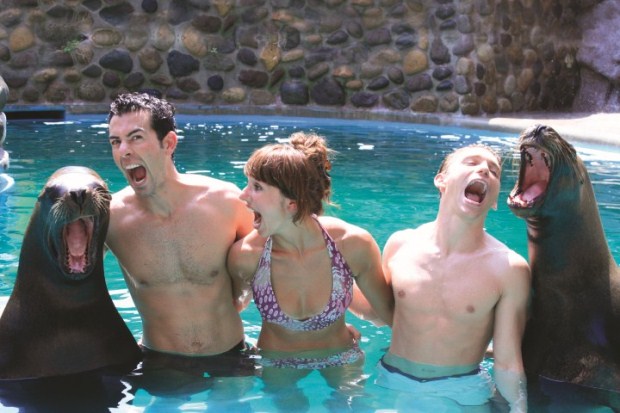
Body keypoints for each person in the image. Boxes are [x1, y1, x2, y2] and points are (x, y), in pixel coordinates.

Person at [227, 131, 394, 409]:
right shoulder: (247, 257)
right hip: (277, 361)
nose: (243, 195)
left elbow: (386, 314)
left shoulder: (351, 244)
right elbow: (230, 311)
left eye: (256, 187)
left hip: (339, 355)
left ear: (291, 203)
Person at [105, 92, 257, 392]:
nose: (124, 151)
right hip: (160, 363)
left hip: (232, 357)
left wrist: (322, 326)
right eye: (115, 141)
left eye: (135, 138)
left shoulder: (226, 202)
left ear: (169, 143)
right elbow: (67, 284)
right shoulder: (111, 220)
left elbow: (280, 257)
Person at [377, 144, 530, 413]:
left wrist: (519, 408)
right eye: (471, 163)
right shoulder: (400, 245)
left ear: (494, 200)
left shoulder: (509, 269)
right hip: (389, 381)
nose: (484, 169)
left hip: (462, 391)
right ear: (441, 180)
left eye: (493, 172)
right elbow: (381, 312)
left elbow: (507, 361)